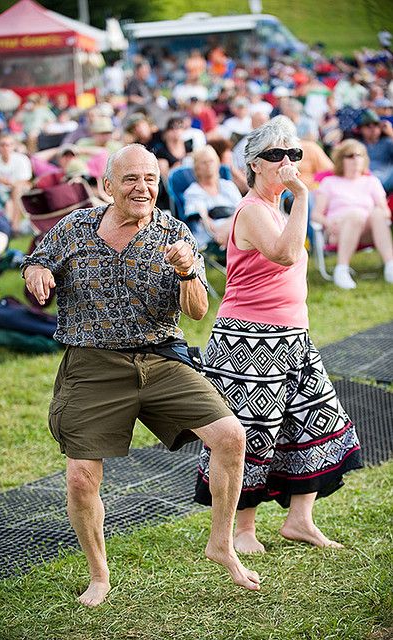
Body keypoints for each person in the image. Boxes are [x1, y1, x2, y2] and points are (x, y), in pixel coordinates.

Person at [22, 144, 260, 607]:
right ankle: (99, 574)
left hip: (160, 359)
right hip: (93, 365)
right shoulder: (76, 227)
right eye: (130, 178)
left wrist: (189, 271)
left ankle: (221, 543)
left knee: (230, 435)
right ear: (107, 186)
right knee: (80, 478)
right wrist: (35, 271)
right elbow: (38, 259)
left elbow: (196, 311)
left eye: (150, 178)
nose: (142, 187)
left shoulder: (174, 232)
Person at [194, 116, 363, 553]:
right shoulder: (251, 210)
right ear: (255, 165)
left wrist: (295, 200)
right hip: (249, 340)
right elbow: (286, 254)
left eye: (293, 154)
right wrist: (303, 194)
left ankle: (299, 520)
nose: (287, 162)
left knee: (316, 424)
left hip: (293, 337)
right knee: (251, 437)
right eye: (275, 155)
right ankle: (243, 531)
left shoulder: (276, 208)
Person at [311, 138, 393, 289]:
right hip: (338, 230)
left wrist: (380, 213)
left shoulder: (372, 181)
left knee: (377, 213)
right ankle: (341, 269)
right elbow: (316, 214)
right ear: (341, 159)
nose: (355, 159)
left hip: (368, 230)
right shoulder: (329, 182)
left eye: (359, 155)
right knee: (355, 215)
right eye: (350, 155)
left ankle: (390, 266)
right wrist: (328, 223)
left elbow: (385, 211)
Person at [183, 145, 242, 249]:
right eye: (204, 162)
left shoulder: (228, 186)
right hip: (210, 237)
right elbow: (205, 221)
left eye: (211, 161)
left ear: (218, 163)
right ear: (196, 167)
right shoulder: (193, 192)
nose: (208, 165)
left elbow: (242, 210)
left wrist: (227, 226)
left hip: (234, 229)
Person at [0, 132, 32, 234]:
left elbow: (25, 181)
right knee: (9, 200)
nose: (6, 148)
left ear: (13, 146)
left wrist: (7, 182)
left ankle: (14, 225)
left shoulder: (22, 159)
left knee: (16, 189)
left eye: (8, 145)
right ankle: (10, 228)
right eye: (2, 145)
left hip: (19, 190)